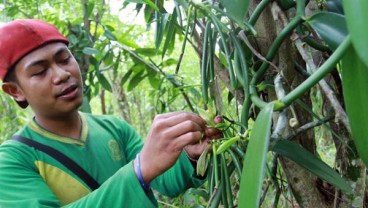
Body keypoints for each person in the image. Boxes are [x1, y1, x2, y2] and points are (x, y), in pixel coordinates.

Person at [0, 19, 222, 207]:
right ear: (15, 91)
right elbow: (143, 171)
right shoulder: (12, 161)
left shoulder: (115, 129)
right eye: (40, 71)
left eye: (65, 59)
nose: (61, 75)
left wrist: (190, 154)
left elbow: (164, 181)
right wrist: (137, 170)